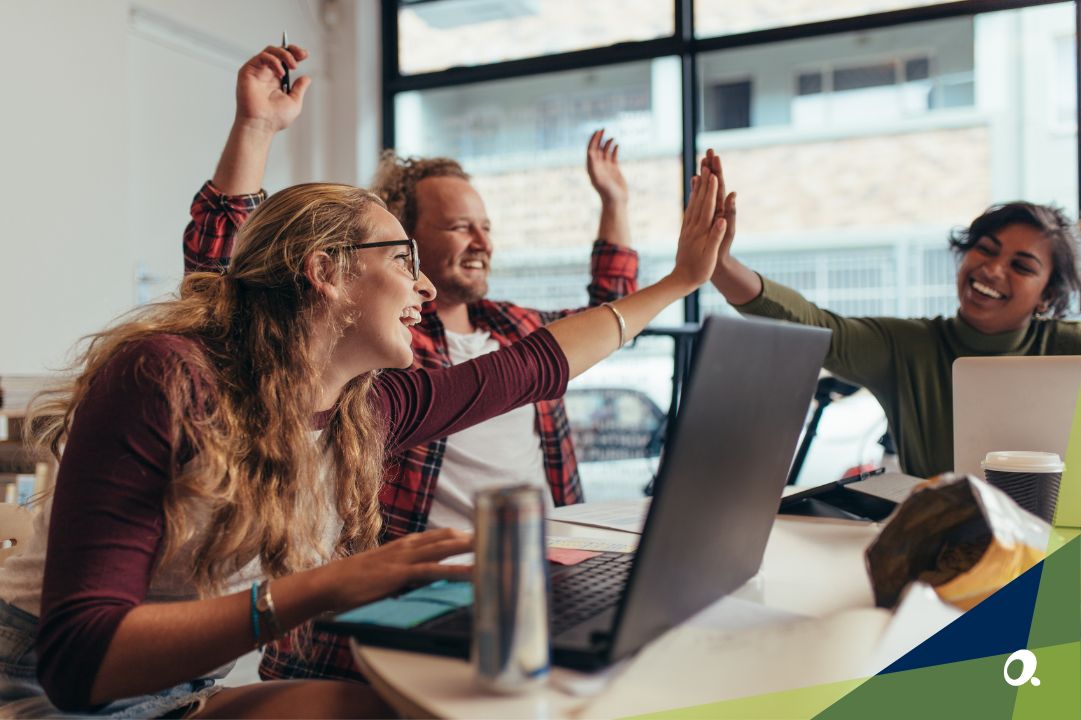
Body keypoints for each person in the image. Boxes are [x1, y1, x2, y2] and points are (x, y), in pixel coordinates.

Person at [0, 152, 730, 717]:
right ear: (326, 273)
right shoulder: (164, 379)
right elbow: (78, 663)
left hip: (179, 685)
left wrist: (679, 282)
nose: (421, 288)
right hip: (37, 685)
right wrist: (324, 587)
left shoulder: (363, 407)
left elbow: (535, 366)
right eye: (402, 259)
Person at [185, 44, 639, 682]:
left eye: (485, 226)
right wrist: (255, 130)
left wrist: (615, 205)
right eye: (458, 227)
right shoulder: (374, 349)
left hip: (535, 580)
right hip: (400, 608)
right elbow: (228, 282)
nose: (481, 241)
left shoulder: (514, 327)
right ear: (405, 240)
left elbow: (606, 320)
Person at [705, 149, 1081, 479]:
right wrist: (720, 267)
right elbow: (813, 324)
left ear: (1046, 296)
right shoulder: (906, 347)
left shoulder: (1067, 347)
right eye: (985, 248)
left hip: (1061, 547)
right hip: (942, 547)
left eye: (1022, 266)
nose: (993, 269)